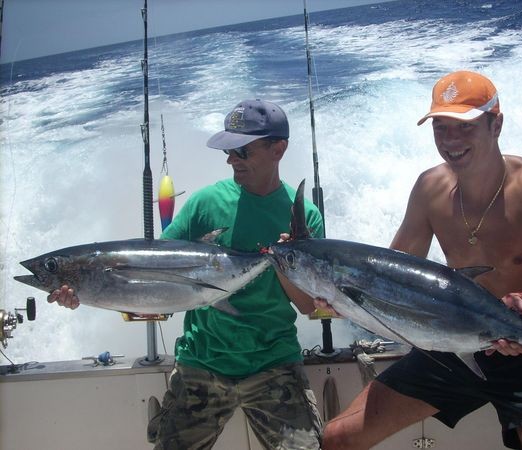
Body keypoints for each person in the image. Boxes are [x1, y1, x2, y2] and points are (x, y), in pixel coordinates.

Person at [320, 71, 522, 450]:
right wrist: (335, 294)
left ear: (496, 124)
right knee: (336, 438)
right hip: (447, 344)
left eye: (465, 127)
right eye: (441, 128)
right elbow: (390, 279)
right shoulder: (429, 189)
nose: (450, 140)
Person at [49, 99, 325, 450]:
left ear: (278, 149)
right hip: (201, 363)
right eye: (228, 151)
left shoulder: (304, 216)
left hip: (274, 364)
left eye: (241, 151)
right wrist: (86, 292)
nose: (231, 160)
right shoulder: (204, 204)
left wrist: (286, 261)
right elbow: (155, 273)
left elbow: (309, 306)